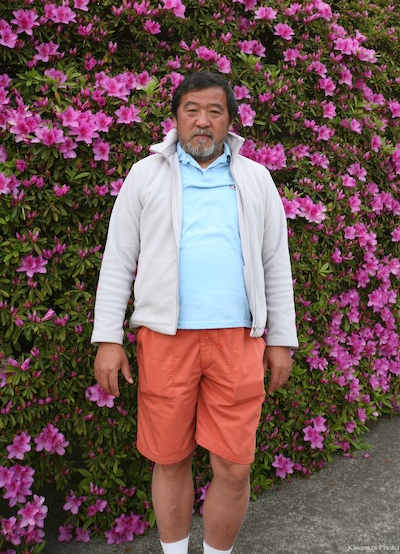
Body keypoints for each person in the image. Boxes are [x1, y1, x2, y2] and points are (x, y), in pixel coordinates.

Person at [92, 71, 298, 554]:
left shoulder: (256, 179)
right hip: (166, 339)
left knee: (234, 466)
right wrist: (108, 338)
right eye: (192, 110)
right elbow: (118, 259)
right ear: (176, 118)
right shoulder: (145, 176)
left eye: (214, 111)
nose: (202, 121)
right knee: (169, 459)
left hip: (238, 341)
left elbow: (275, 262)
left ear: (230, 121)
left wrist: (281, 340)